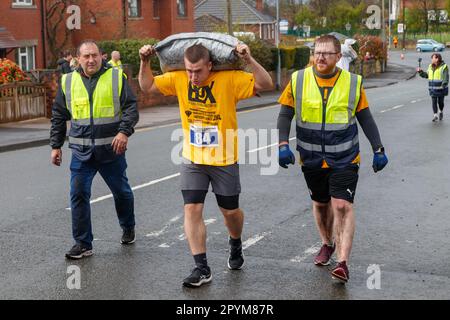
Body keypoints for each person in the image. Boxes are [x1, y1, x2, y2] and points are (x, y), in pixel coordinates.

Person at [138, 42, 273, 287]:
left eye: (198, 71)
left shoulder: (229, 79)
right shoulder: (179, 79)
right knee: (192, 209)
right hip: (193, 158)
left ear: (210, 65)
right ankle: (202, 268)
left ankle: (235, 241)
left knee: (230, 212)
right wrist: (145, 61)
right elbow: (147, 86)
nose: (193, 76)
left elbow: (266, 84)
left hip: (224, 159)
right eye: (189, 70)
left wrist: (249, 59)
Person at [276, 35, 388, 283]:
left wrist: (378, 148)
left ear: (339, 57)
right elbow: (285, 114)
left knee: (341, 205)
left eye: (327, 53)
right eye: (317, 52)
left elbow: (365, 118)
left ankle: (342, 262)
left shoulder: (352, 83)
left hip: (345, 157)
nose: (320, 57)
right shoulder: (298, 79)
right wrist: (283, 144)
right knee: (320, 203)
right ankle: (327, 243)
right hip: (311, 157)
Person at [50, 40, 139, 259]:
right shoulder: (67, 81)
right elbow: (59, 115)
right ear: (78, 59)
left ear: (102, 56)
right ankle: (83, 243)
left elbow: (130, 108)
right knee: (78, 194)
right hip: (81, 153)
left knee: (122, 193)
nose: (91, 60)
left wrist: (124, 132)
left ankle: (128, 226)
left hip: (111, 151)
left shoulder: (116, 77)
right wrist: (55, 145)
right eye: (86, 56)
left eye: (94, 55)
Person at [417, 53, 448, 122]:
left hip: (441, 89)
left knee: (440, 102)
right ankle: (435, 115)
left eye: (433, 58)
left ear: (437, 59)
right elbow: (427, 75)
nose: (431, 59)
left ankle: (441, 111)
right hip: (432, 89)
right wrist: (420, 72)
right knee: (434, 101)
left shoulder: (444, 67)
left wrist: (444, 84)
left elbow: (446, 77)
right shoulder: (430, 66)